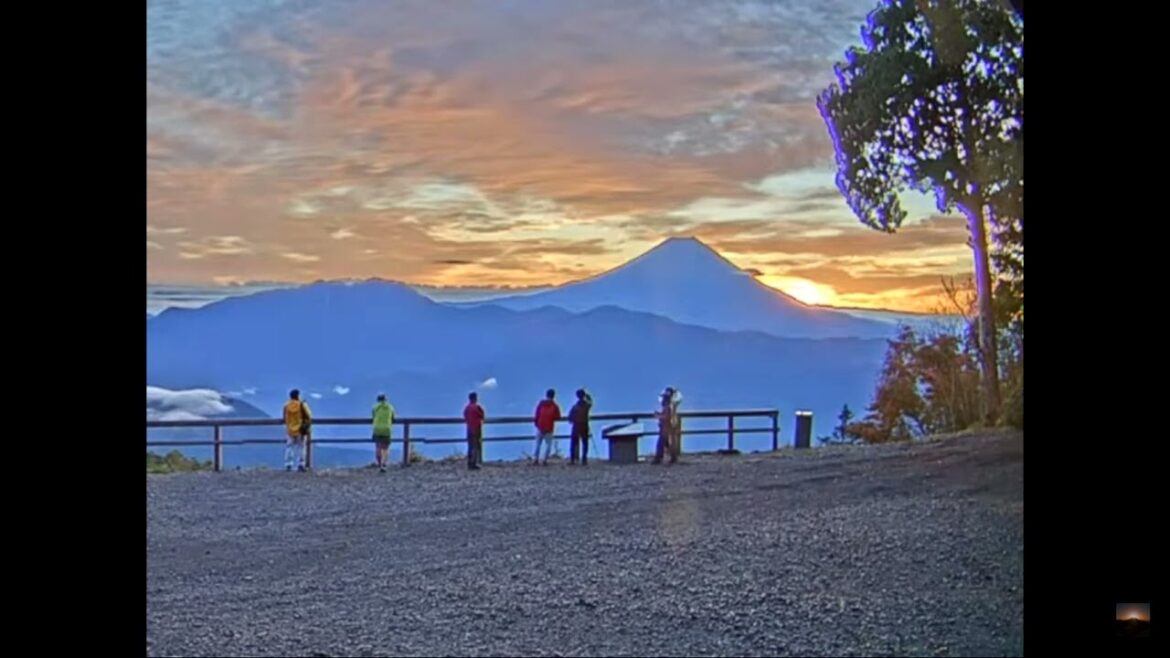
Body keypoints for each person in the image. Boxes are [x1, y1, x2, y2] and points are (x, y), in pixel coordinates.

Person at [282, 389, 312, 472]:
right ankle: (301, 464)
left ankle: (288, 464)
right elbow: (309, 415)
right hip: (300, 429)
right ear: (298, 396)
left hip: (290, 430)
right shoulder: (301, 405)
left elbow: (284, 417)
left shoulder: (286, 405)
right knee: (301, 447)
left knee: (289, 447)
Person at [652, 386, 682, 465]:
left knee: (663, 444)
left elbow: (667, 417)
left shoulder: (668, 407)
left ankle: (659, 458)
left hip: (666, 428)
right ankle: (671, 457)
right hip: (666, 428)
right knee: (667, 444)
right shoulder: (669, 406)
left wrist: (658, 416)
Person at [532, 388, 562, 466]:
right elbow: (558, 416)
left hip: (540, 425)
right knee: (548, 444)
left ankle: (535, 459)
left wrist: (536, 423)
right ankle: (545, 460)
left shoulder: (541, 404)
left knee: (538, 443)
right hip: (549, 427)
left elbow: (537, 414)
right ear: (554, 396)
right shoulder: (555, 406)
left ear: (546, 395)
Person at [568, 388, 593, 465]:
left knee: (573, 443)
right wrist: (587, 396)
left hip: (576, 426)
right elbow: (591, 402)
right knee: (585, 443)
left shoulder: (575, 407)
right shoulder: (586, 406)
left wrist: (572, 420)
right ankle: (584, 459)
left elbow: (570, 417)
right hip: (584, 425)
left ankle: (572, 459)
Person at [372, 393, 395, 473]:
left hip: (377, 429)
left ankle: (379, 465)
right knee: (386, 448)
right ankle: (384, 464)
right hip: (387, 429)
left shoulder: (375, 407)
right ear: (386, 400)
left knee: (378, 447)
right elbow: (393, 418)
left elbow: (373, 416)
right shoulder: (390, 407)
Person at [463, 392, 485, 471]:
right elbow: (482, 415)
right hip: (476, 428)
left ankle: (470, 463)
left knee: (470, 446)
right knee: (476, 446)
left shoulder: (467, 408)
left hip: (469, 428)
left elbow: (465, 416)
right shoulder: (477, 407)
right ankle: (474, 463)